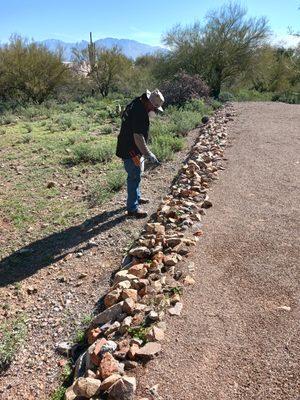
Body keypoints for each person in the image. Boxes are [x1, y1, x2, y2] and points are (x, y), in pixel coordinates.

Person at [116, 89, 164, 218]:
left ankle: (136, 198)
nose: (154, 111)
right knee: (134, 176)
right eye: (155, 108)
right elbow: (138, 136)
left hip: (128, 145)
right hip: (130, 149)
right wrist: (148, 153)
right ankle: (132, 209)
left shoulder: (137, 102)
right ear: (150, 103)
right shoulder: (140, 112)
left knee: (136, 175)